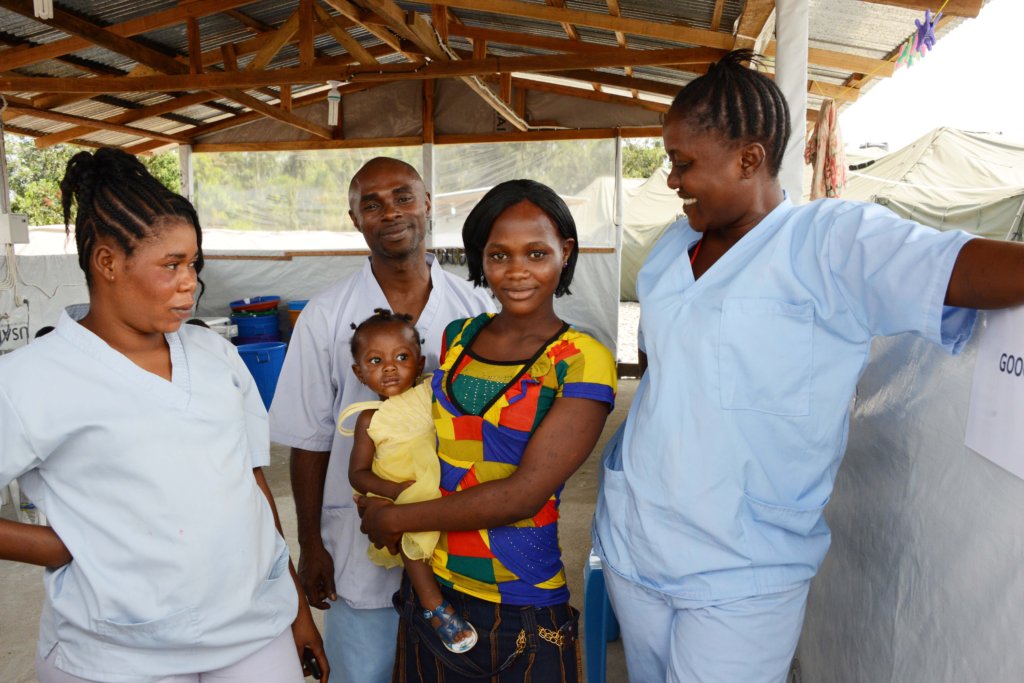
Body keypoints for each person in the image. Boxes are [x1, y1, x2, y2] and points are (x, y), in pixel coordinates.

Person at [591, 49, 1024, 683]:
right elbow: (662, 368)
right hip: (636, 541)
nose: (671, 179)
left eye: (682, 163)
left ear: (749, 158)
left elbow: (979, 268)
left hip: (744, 568)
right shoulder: (671, 247)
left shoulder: (830, 243)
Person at [0, 147, 328, 683]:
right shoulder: (34, 378)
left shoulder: (214, 355)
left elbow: (251, 483)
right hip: (116, 652)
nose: (189, 283)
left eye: (194, 263)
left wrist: (294, 608)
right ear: (107, 262)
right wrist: (63, 546)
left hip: (252, 629)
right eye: (171, 265)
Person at [358, 179, 617, 682]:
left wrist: (397, 520)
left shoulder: (582, 361)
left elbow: (523, 495)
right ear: (481, 258)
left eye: (536, 253)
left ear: (565, 253)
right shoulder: (458, 338)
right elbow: (416, 437)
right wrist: (378, 487)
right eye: (499, 255)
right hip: (431, 586)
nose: (517, 271)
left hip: (519, 599)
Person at [269, 157, 494, 682]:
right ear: (355, 220)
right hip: (358, 535)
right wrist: (311, 543)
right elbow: (310, 438)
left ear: (428, 204)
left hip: (460, 528)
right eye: (371, 204)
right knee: (364, 671)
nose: (390, 212)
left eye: (402, 197)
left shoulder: (478, 308)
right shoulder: (325, 315)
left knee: (456, 664)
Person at [338, 309, 477, 654]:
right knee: (412, 545)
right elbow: (357, 474)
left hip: (442, 485)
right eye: (375, 360)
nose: (389, 367)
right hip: (401, 494)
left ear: (420, 361)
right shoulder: (369, 419)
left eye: (401, 357)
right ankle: (435, 609)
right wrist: (396, 493)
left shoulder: (433, 393)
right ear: (358, 372)